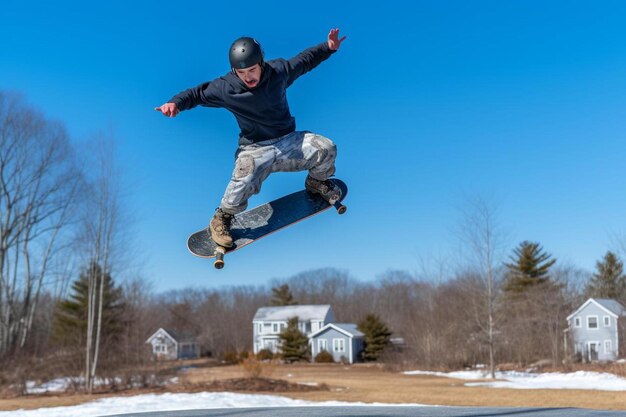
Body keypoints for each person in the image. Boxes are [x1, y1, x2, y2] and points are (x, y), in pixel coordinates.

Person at [155, 29, 346, 248]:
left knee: (325, 148)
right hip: (254, 148)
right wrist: (176, 103)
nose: (248, 77)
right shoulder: (225, 87)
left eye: (252, 70)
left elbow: (304, 61)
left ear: (261, 63)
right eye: (241, 72)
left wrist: (328, 48)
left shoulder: (279, 71)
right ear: (234, 71)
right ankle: (222, 217)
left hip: (287, 141)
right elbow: (197, 93)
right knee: (245, 174)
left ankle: (317, 181)